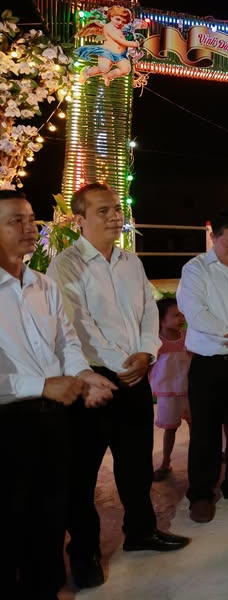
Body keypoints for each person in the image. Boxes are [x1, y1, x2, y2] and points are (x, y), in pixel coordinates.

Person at [48, 183, 190, 587]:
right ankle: (85, 553)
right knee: (83, 473)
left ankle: (141, 531)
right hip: (91, 380)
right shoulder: (66, 265)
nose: (115, 216)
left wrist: (146, 352)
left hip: (136, 373)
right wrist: (122, 364)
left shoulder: (131, 261)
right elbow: (76, 326)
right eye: (103, 210)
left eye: (116, 209)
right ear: (79, 219)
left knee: (135, 464)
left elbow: (149, 310)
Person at [0, 189, 116, 599]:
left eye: (31, 218)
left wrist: (84, 375)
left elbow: (66, 342)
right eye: (15, 220)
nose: (29, 227)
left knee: (50, 512)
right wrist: (43, 385)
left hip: (53, 416)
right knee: (10, 519)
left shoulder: (43, 284)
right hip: (7, 422)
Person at [176, 207, 228, 524]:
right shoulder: (196, 269)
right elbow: (196, 313)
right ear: (213, 238)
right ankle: (200, 494)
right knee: (205, 432)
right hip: (209, 364)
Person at [150, 297, 191, 482]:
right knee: (170, 428)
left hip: (189, 390)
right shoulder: (156, 342)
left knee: (195, 426)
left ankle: (199, 460)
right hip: (169, 393)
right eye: (175, 315)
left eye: (182, 314)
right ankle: (165, 462)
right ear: (161, 320)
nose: (181, 318)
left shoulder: (187, 337)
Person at [75, 5, 141, 85]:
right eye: (118, 19)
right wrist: (132, 44)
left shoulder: (120, 29)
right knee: (103, 68)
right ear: (111, 17)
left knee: (126, 70)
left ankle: (108, 76)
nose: (120, 23)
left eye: (123, 22)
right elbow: (118, 40)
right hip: (107, 52)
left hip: (121, 55)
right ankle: (87, 72)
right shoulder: (108, 27)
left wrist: (132, 42)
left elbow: (124, 39)